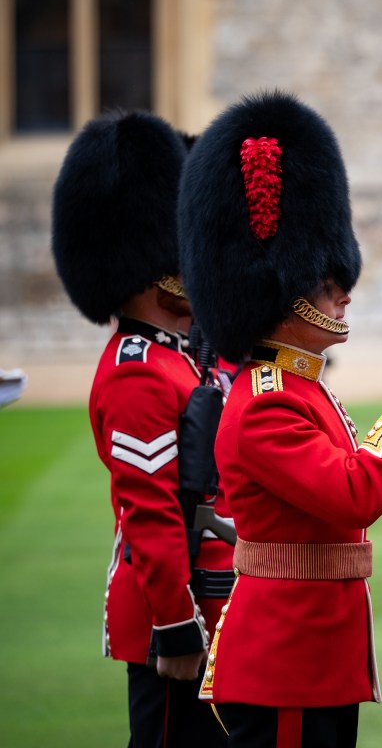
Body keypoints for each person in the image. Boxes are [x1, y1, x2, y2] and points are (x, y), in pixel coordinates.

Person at [176, 90, 382, 747]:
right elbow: (353, 493)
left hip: (316, 655)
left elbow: (347, 476)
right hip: (286, 661)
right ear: (280, 296)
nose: (341, 294)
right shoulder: (267, 401)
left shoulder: (301, 389)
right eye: (322, 284)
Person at [50, 110, 234, 746]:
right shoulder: (139, 372)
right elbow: (150, 509)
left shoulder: (179, 356)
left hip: (209, 604)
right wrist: (177, 627)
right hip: (170, 620)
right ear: (154, 267)